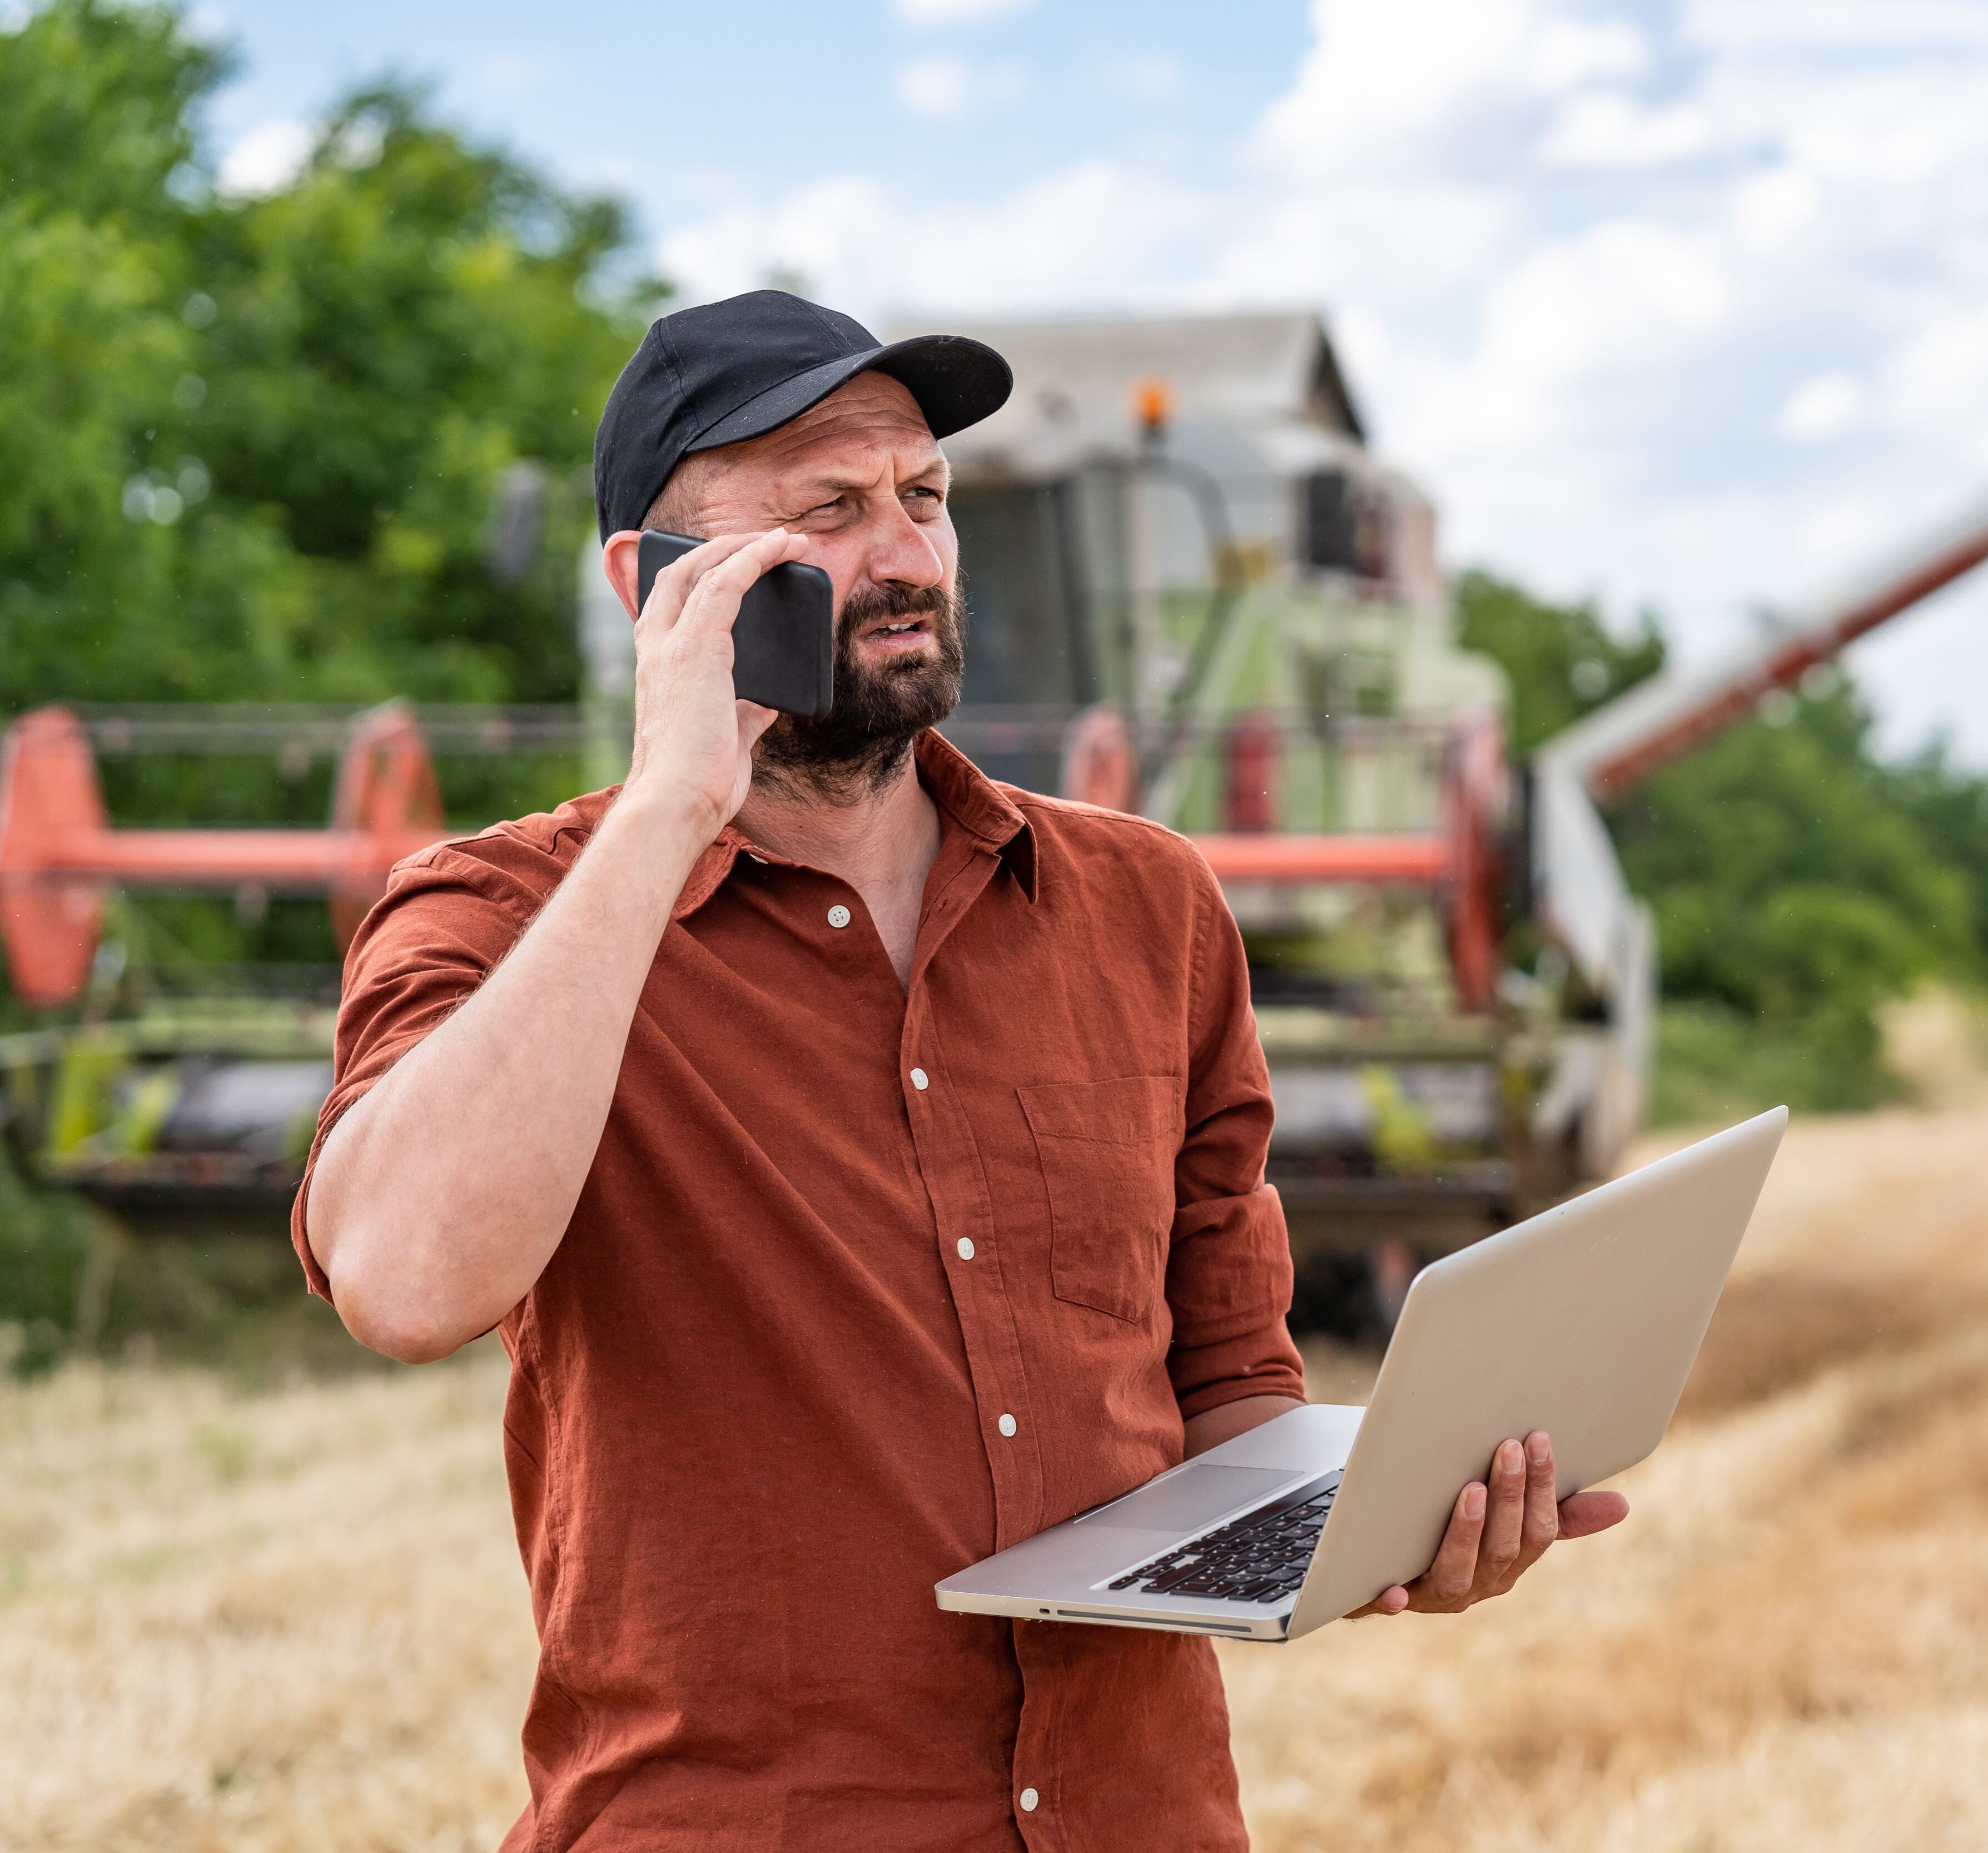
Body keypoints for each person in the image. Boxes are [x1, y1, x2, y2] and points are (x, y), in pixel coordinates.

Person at [294, 291, 1626, 1851]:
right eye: (828, 512)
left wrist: (1391, 1525)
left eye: (923, 496)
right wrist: (667, 810)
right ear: (647, 580)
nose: (909, 553)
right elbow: (403, 1281)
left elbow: (1227, 1391)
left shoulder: (1148, 907)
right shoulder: (499, 914)